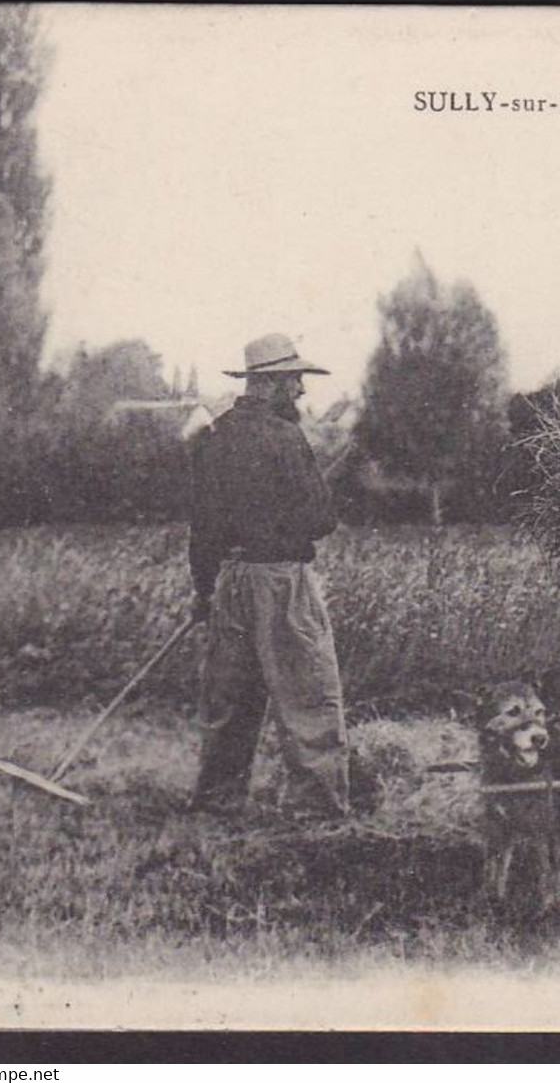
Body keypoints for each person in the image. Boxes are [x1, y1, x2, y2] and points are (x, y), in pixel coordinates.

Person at [187, 333, 350, 819]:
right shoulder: (285, 437)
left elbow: (204, 527)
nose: (301, 390)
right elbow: (321, 520)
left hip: (230, 580)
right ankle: (318, 807)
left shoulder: (213, 440)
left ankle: (217, 800)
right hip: (281, 580)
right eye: (296, 379)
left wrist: (204, 591)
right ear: (273, 383)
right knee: (308, 692)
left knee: (231, 699)